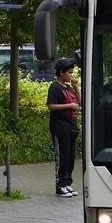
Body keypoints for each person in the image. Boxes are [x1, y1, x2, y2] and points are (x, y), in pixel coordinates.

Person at [47, 58, 81, 197]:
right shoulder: (54, 87)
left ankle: (67, 183)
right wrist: (69, 106)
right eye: (69, 73)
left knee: (70, 157)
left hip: (72, 127)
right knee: (62, 156)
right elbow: (51, 106)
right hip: (60, 127)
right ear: (61, 73)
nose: (71, 75)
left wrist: (76, 87)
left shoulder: (68, 88)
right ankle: (60, 185)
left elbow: (79, 102)